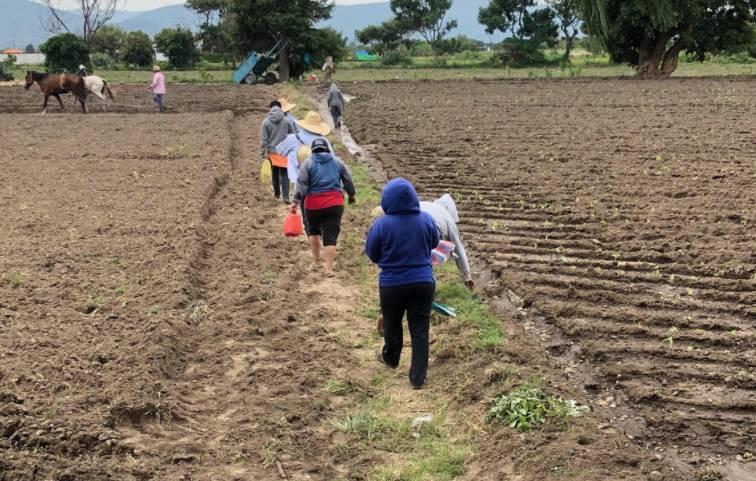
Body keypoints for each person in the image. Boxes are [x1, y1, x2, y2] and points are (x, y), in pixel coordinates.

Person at [365, 178, 439, 390]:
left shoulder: (381, 224)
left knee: (392, 322)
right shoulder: (425, 219)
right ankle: (417, 377)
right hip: (423, 282)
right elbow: (434, 242)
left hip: (392, 284)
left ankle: (391, 357)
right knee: (420, 328)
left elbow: (372, 252)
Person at [292, 139, 355, 276]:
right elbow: (348, 180)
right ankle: (329, 269)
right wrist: (351, 195)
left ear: (313, 150)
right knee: (330, 235)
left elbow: (301, 184)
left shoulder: (308, 163)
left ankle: (316, 262)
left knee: (313, 231)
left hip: (313, 205)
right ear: (327, 149)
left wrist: (295, 201)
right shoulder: (337, 162)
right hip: (335, 204)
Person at [276, 111, 332, 226]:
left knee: (308, 218)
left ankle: (312, 234)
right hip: (322, 184)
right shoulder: (324, 142)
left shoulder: (292, 138)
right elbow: (332, 161)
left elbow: (279, 151)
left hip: (301, 186)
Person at [420, 194, 474, 290]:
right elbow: (458, 249)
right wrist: (467, 276)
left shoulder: (426, 204)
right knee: (426, 259)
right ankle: (425, 287)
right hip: (430, 231)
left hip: (407, 227)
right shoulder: (448, 218)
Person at [261, 100, 295, 203]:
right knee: (285, 173)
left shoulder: (266, 122)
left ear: (270, 108)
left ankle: (276, 195)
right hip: (284, 152)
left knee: (274, 173)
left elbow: (264, 141)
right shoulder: (286, 121)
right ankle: (286, 197)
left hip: (272, 152)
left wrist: (262, 155)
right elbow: (292, 135)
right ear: (281, 108)